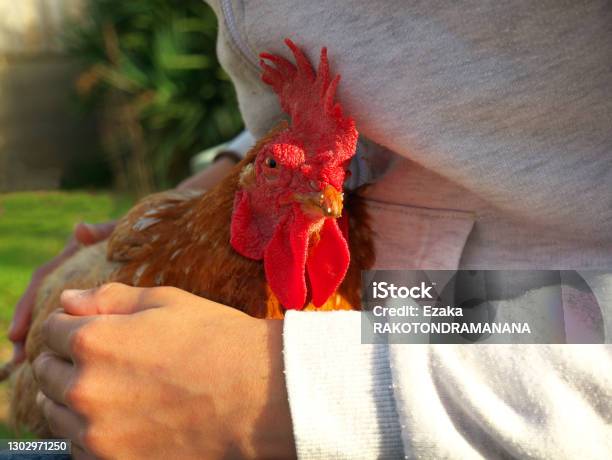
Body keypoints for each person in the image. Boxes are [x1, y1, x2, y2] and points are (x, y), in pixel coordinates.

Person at [12, 0, 612, 458]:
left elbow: (582, 317)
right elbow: (354, 113)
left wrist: (281, 397)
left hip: (507, 316)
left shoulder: (525, 305)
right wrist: (209, 192)